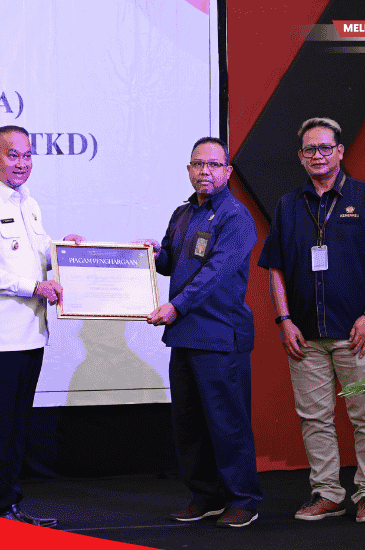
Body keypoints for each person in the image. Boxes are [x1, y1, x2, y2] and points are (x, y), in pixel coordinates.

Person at [258, 118, 365, 524]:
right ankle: (327, 493)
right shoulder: (288, 205)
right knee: (314, 419)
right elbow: (275, 268)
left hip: (357, 332)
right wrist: (284, 319)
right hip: (305, 334)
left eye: (325, 148)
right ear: (300, 156)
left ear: (340, 151)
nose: (318, 155)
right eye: (310, 149)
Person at [0, 125, 83, 527]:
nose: (21, 163)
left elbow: (37, 251)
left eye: (27, 155)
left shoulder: (28, 202)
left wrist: (61, 250)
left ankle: (10, 503)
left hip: (31, 331)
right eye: (13, 155)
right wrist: (34, 287)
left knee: (17, 424)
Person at [142, 137, 263, 528]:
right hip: (184, 336)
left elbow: (214, 274)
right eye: (198, 164)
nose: (204, 171)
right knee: (189, 424)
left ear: (227, 171)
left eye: (213, 164)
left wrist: (175, 306)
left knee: (227, 423)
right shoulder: (182, 213)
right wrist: (150, 255)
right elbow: (170, 262)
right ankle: (205, 496)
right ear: (189, 170)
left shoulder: (236, 217)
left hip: (220, 336)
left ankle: (243, 499)